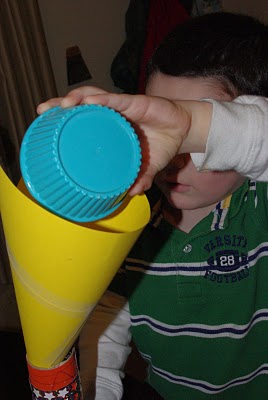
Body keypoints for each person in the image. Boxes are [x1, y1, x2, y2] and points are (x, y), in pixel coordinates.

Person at [38, 12, 268, 400]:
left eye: (193, 140)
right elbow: (106, 319)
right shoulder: (128, 224)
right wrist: (100, 386)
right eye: (162, 131)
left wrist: (191, 124)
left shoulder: (258, 204)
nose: (174, 156)